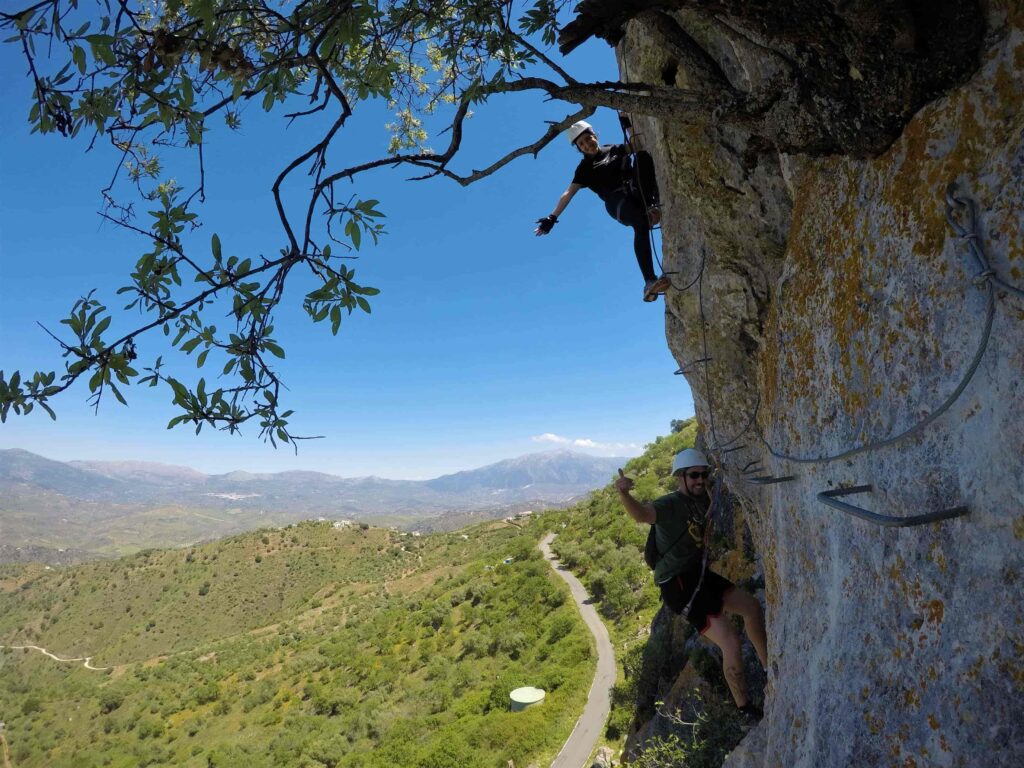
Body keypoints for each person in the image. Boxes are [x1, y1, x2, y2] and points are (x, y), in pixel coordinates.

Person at [615, 447, 768, 722]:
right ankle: (744, 707)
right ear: (680, 478)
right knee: (730, 642)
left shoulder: (702, 498)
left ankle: (771, 668)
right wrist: (624, 494)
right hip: (678, 585)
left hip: (697, 572)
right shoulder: (670, 504)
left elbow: (710, 506)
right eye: (694, 475)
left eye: (703, 475)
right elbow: (641, 515)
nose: (700, 480)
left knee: (752, 607)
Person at [534, 120, 670, 302]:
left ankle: (649, 206)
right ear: (579, 149)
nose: (587, 145)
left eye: (588, 139)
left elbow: (637, 145)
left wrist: (627, 123)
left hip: (635, 192)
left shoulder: (613, 149)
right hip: (616, 203)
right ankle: (649, 281)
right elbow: (569, 192)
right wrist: (552, 217)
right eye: (581, 144)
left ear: (595, 135)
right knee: (640, 225)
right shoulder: (584, 169)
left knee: (643, 156)